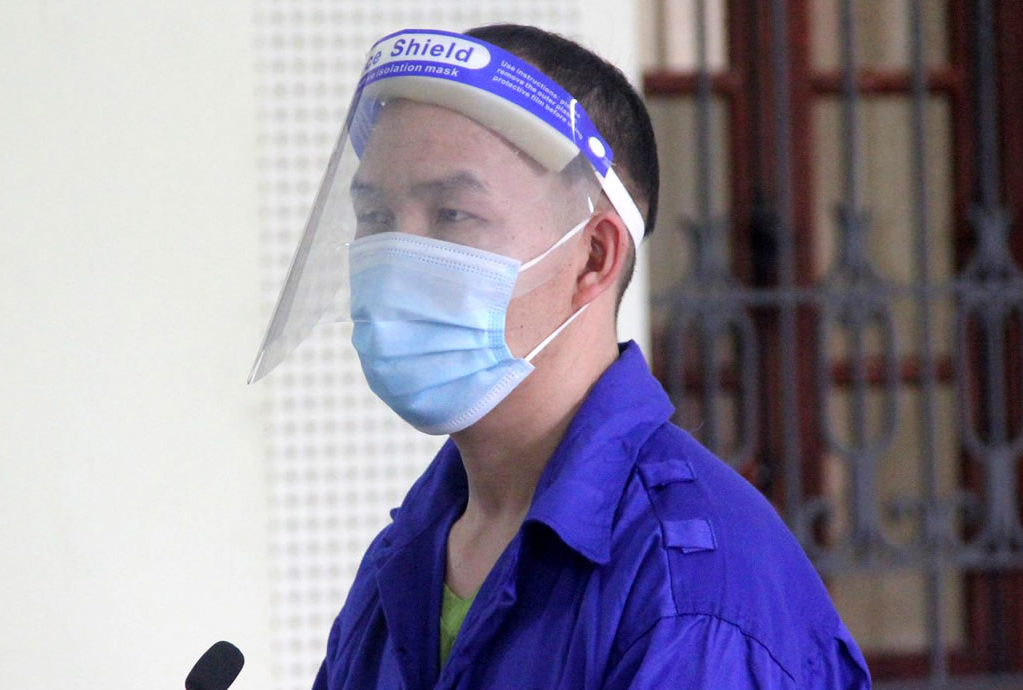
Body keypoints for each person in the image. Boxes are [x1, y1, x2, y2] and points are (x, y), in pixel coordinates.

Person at [251, 22, 871, 689]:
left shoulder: (689, 594)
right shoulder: (408, 557)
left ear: (593, 257)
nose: (398, 260)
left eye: (452, 215)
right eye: (375, 217)